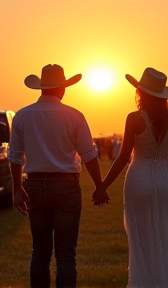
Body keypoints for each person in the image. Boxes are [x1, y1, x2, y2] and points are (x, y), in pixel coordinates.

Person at [93, 67, 168, 287]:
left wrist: (102, 186)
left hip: (139, 179)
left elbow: (123, 157)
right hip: (167, 179)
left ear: (140, 93)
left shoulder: (134, 118)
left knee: (141, 239)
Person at [8, 64, 109, 288]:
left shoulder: (22, 116)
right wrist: (99, 186)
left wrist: (17, 190)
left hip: (34, 185)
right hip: (66, 187)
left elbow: (15, 157)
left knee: (40, 252)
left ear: (41, 88)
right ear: (62, 88)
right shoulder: (75, 116)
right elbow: (89, 155)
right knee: (65, 254)